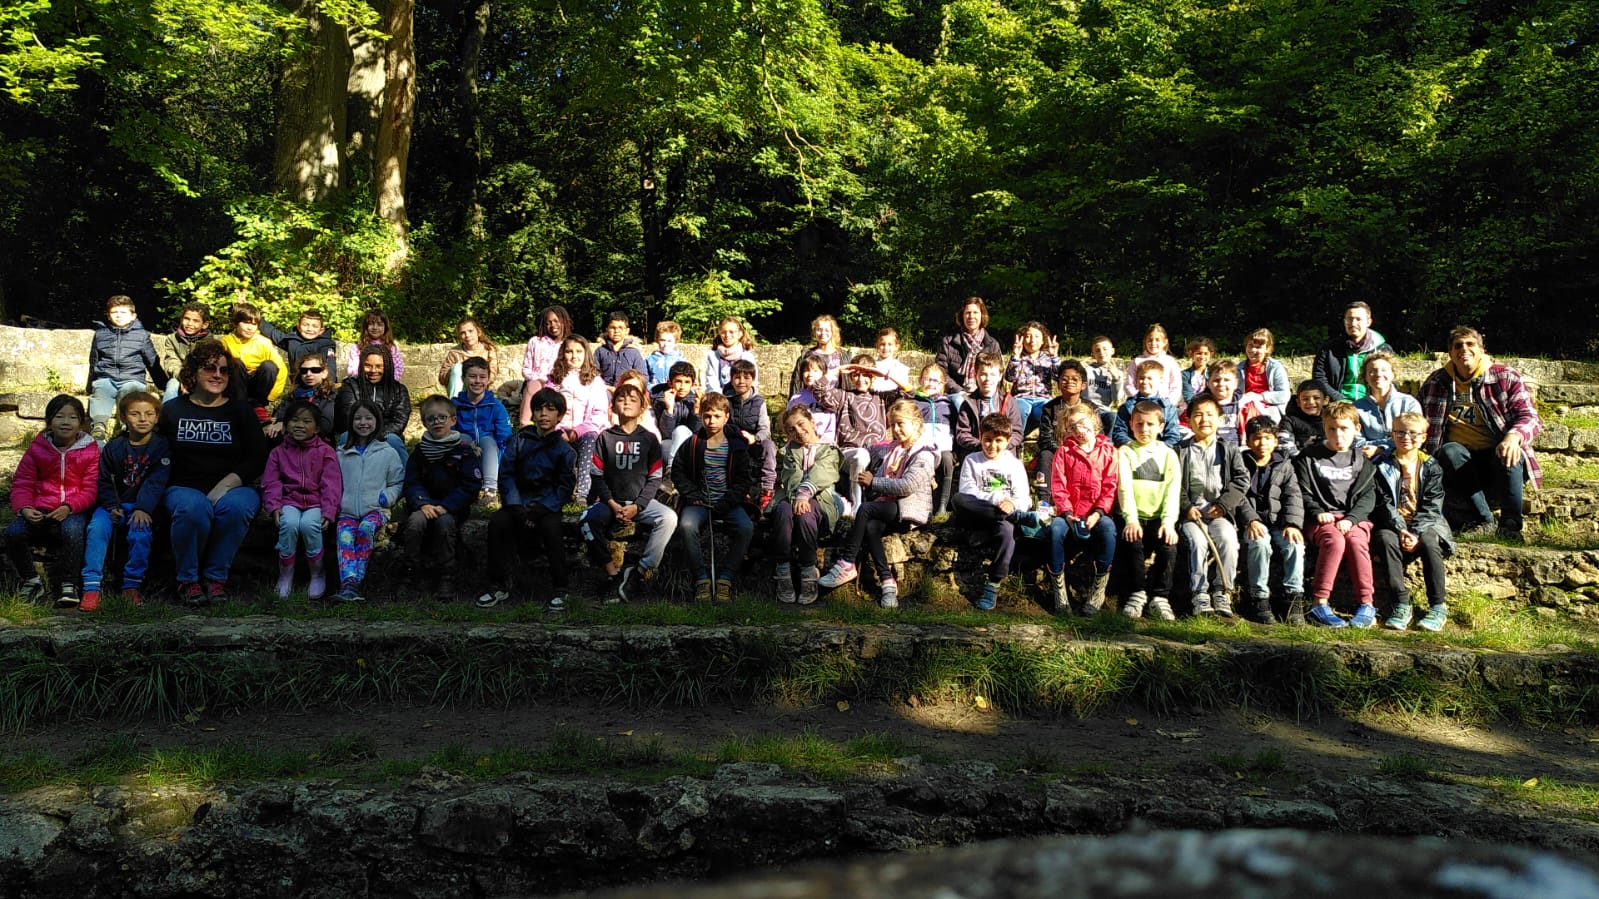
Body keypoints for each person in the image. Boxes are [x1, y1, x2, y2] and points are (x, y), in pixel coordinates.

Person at [159, 339, 269, 605]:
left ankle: (215, 579)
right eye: (209, 368)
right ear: (193, 372)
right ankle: (188, 580)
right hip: (184, 486)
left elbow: (258, 457)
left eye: (223, 370)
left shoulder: (241, 410)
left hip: (233, 486)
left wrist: (225, 486)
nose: (217, 375)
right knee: (193, 509)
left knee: (236, 508)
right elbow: (160, 454)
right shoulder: (173, 410)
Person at [1417, 326, 1542, 541]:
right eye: (1458, 346)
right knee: (1450, 451)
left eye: (1470, 344)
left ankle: (1511, 525)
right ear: (1450, 353)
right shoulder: (1436, 383)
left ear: (1482, 349)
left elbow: (1530, 416)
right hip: (1459, 465)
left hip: (1498, 458)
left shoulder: (1505, 376)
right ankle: (1485, 520)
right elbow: (1419, 425)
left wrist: (1513, 437)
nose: (1463, 349)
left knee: (1511, 452)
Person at [818, 400, 937, 609]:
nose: (896, 429)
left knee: (865, 508)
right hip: (889, 507)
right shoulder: (892, 450)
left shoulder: (924, 454)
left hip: (910, 509)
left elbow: (907, 486)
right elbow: (881, 480)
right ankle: (887, 582)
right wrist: (873, 481)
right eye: (893, 425)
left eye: (901, 424)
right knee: (871, 527)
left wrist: (874, 481)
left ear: (916, 424)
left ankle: (847, 562)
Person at [479, 388, 575, 611]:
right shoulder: (520, 440)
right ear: (532, 413)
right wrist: (515, 505)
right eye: (539, 409)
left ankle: (561, 587)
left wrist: (541, 509)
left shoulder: (564, 449)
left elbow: (564, 486)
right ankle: (497, 584)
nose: (544, 414)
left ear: (559, 416)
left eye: (550, 410)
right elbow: (507, 473)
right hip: (518, 504)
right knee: (498, 523)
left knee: (552, 529)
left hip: (546, 507)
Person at [584, 383, 678, 600]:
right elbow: (597, 475)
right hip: (610, 503)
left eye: (633, 399)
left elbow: (655, 478)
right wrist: (611, 503)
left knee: (669, 518)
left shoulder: (649, 439)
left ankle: (639, 571)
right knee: (586, 521)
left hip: (640, 502)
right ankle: (613, 575)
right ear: (613, 406)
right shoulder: (605, 438)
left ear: (643, 407)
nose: (626, 402)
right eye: (621, 399)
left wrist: (638, 506)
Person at [6, 395, 98, 607]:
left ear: (81, 423)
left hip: (73, 509)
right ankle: (32, 580)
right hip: (41, 507)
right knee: (14, 532)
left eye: (73, 417)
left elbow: (91, 489)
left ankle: (69, 584)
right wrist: (25, 508)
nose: (66, 422)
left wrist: (69, 506)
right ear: (49, 421)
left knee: (73, 531)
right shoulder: (38, 448)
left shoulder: (90, 450)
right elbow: (22, 482)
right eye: (59, 416)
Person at [1295, 401, 1380, 628]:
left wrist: (1352, 519)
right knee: (1334, 541)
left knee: (1356, 540)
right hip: (1321, 519)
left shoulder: (1362, 461)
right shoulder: (1309, 457)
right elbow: (1301, 491)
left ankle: (1366, 604)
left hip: (1353, 518)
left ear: (1356, 429)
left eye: (1344, 428)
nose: (1338, 434)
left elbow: (1368, 497)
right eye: (1332, 428)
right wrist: (1317, 512)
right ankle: (1319, 603)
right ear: (1324, 428)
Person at [81, 391, 169, 610]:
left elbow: (157, 481)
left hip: (144, 507)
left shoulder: (161, 446)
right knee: (96, 528)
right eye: (135, 414)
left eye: (149, 414)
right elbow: (104, 480)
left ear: (157, 417)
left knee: (141, 532)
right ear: (123, 418)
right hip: (114, 505)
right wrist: (111, 506)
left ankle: (132, 585)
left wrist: (143, 508)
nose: (143, 419)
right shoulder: (114, 447)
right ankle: (91, 587)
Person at [1372, 412, 1454, 632]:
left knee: (1429, 542)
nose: (1406, 437)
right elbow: (1383, 503)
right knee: (1384, 539)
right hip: (1392, 524)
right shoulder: (1381, 465)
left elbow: (1432, 505)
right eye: (1400, 432)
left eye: (1413, 433)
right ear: (1392, 434)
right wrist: (1400, 530)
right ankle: (1400, 603)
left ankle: (1437, 605)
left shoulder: (1431, 466)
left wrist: (1415, 531)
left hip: (1425, 524)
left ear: (1424, 437)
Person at [672, 392, 757, 602]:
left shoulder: (736, 446)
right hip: (699, 501)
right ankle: (701, 578)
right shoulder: (693, 443)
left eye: (717, 416)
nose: (711, 421)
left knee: (746, 527)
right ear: (701, 417)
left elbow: (744, 480)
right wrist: (692, 494)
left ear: (726, 416)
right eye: (707, 416)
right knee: (687, 525)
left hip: (727, 502)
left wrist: (726, 502)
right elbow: (677, 471)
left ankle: (725, 579)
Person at [402, 395, 483, 602]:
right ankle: (413, 572)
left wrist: (447, 506)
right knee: (414, 522)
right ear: (424, 423)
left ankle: (447, 575)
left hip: (452, 507)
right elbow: (412, 482)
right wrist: (422, 503)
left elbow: (470, 485)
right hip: (425, 505)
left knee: (445, 524)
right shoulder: (420, 452)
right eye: (431, 419)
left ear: (453, 420)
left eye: (442, 417)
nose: (437, 422)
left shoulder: (464, 451)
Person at [955, 412, 1035, 612]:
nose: (992, 445)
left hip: (1004, 517)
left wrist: (1013, 506)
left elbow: (1023, 497)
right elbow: (967, 490)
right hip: (979, 514)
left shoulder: (1014, 465)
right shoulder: (972, 460)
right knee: (958, 500)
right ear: (980, 437)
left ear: (1008, 441)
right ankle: (1012, 517)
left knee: (1007, 532)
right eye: (987, 440)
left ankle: (993, 584)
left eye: (998, 441)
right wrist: (998, 500)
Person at [1177, 394, 1249, 616]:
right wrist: (1186, 507)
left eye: (1210, 414)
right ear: (1189, 421)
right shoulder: (1180, 450)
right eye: (1198, 415)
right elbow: (1174, 483)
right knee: (1197, 542)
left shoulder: (1228, 449)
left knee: (1228, 539)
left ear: (1220, 418)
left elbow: (1241, 480)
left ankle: (1222, 591)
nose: (1204, 419)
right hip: (1192, 515)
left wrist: (1224, 505)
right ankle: (1199, 594)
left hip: (1218, 513)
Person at [262, 400, 341, 599]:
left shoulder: (325, 452)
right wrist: (274, 506)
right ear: (286, 424)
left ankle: (317, 573)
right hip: (290, 501)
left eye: (307, 421)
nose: (300, 425)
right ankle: (285, 575)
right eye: (294, 420)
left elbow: (331, 484)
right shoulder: (278, 452)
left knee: (308, 525)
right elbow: (271, 482)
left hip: (316, 503)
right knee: (288, 524)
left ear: (316, 428)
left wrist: (329, 510)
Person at [1046, 403, 1118, 616]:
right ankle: (1059, 591)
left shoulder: (1109, 452)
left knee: (1109, 530)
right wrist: (1067, 513)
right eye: (1072, 427)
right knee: (1055, 531)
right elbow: (1058, 485)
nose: (1079, 430)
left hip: (1097, 513)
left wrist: (1098, 513)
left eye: (1082, 424)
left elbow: (1110, 486)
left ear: (1094, 423)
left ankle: (1098, 590)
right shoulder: (1064, 452)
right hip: (1070, 514)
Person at [767, 406, 842, 605]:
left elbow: (823, 473)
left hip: (823, 499)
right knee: (783, 511)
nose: (798, 432)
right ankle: (782, 570)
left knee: (806, 514)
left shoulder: (829, 449)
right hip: (792, 497)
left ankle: (808, 570)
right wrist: (797, 497)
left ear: (811, 422)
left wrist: (805, 494)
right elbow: (791, 476)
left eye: (801, 424)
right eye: (791, 430)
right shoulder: (790, 451)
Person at [1114, 401, 1181, 620]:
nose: (1144, 429)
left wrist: (1168, 522)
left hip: (1159, 518)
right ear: (1131, 425)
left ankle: (1160, 597)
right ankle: (1137, 593)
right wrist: (1131, 519)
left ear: (1161, 426)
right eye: (1139, 424)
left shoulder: (1169, 455)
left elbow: (1173, 491)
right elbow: (1124, 487)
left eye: (1150, 424)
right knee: (1133, 544)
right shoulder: (1125, 452)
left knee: (1169, 546)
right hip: (1134, 516)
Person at [333, 400, 404, 603]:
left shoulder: (388, 452)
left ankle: (357, 582)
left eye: (368, 418)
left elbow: (397, 482)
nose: (363, 422)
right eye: (357, 418)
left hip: (376, 510)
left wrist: (386, 498)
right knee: (345, 537)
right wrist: (336, 503)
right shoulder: (341, 453)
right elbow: (332, 482)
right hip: (346, 511)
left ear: (377, 421)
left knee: (365, 529)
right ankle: (348, 582)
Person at [1238, 416, 1305, 625]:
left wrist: (1292, 523)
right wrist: (1251, 520)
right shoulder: (1241, 463)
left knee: (1294, 545)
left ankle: (1294, 597)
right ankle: (1259, 598)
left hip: (1278, 522)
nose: (1262, 443)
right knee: (1260, 544)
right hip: (1252, 522)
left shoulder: (1285, 465)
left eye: (1268, 438)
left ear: (1275, 441)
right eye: (1257, 438)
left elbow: (1292, 496)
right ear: (1248, 441)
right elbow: (1238, 495)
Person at [86, 294, 162, 441]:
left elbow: (152, 361)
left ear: (133, 316)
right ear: (108, 315)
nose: (119, 316)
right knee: (101, 389)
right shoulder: (101, 334)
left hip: (132, 377)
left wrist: (162, 384)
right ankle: (99, 426)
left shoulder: (141, 335)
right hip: (107, 376)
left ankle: (126, 426)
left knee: (130, 391)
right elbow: (94, 360)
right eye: (114, 312)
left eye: (123, 312)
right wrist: (90, 384)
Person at [1035, 361, 1114, 493]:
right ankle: (1044, 502)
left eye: (1074, 379)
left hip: (1085, 451)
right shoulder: (1049, 409)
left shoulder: (1091, 408)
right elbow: (1045, 439)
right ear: (1058, 384)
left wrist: (1081, 451)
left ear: (1083, 385)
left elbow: (1098, 434)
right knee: (1044, 455)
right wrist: (1064, 452)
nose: (1069, 382)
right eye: (1064, 379)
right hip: (1059, 452)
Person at [824, 355, 888, 515]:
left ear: (873, 377)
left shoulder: (881, 397)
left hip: (876, 452)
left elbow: (909, 392)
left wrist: (881, 373)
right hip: (849, 453)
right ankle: (857, 505)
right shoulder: (844, 396)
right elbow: (819, 389)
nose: (861, 379)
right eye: (856, 374)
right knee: (861, 455)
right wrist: (838, 370)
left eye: (866, 375)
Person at [551, 335, 609, 500]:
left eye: (578, 351)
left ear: (586, 354)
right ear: (563, 354)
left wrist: (580, 430)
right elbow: (549, 407)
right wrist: (558, 428)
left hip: (585, 430)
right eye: (569, 351)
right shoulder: (555, 379)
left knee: (590, 440)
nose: (574, 356)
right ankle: (559, 491)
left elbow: (600, 412)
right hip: (560, 428)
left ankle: (582, 494)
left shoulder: (595, 381)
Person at [335, 345, 412, 462]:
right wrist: (365, 434)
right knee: (345, 437)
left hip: (386, 436)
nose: (373, 370)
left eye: (379, 366)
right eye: (368, 366)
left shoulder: (398, 389)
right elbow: (347, 416)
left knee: (393, 440)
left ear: (387, 366)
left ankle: (406, 478)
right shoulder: (350, 386)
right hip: (357, 433)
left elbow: (399, 421)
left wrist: (376, 436)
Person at [454, 356, 513, 509]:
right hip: (464, 452)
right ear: (463, 378)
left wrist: (500, 458)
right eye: (472, 376)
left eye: (482, 377)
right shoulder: (455, 405)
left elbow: (505, 438)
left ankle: (490, 491)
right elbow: (449, 431)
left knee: (488, 440)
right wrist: (468, 445)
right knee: (462, 437)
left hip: (490, 455)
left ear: (488, 379)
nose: (477, 381)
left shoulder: (495, 405)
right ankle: (464, 488)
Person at [1313, 301, 1392, 402]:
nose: (1353, 324)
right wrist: (1340, 400)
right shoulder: (1328, 349)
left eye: (1358, 319)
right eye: (1349, 319)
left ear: (1369, 322)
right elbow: (1319, 379)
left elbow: (1390, 379)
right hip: (1338, 406)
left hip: (1372, 403)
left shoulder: (1383, 349)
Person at [725, 359, 777, 508]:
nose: (741, 381)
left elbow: (765, 429)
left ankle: (767, 489)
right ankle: (741, 490)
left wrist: (755, 438)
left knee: (769, 446)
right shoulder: (725, 399)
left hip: (754, 441)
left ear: (753, 380)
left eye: (746, 378)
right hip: (734, 441)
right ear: (731, 379)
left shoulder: (759, 402)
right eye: (737, 377)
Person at [909, 363, 959, 519]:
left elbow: (957, 427)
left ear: (942, 384)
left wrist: (955, 449)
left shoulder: (949, 404)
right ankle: (920, 506)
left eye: (935, 380)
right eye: (927, 379)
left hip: (944, 447)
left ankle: (943, 505)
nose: (930, 383)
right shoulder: (914, 403)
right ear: (920, 380)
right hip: (921, 447)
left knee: (947, 460)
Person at [219, 301, 288, 410]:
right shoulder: (226, 342)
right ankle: (239, 404)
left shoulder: (263, 342)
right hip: (237, 384)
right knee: (234, 362)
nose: (250, 328)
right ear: (235, 323)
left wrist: (271, 396)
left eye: (254, 324)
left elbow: (282, 369)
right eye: (246, 323)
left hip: (259, 385)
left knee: (269, 366)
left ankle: (258, 405)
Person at [953, 353, 1022, 462]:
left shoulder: (1009, 401)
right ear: (976, 375)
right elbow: (962, 434)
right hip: (977, 454)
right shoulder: (968, 403)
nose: (988, 379)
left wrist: (1000, 447)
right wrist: (983, 446)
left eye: (993, 374)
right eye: (983, 374)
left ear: (1000, 376)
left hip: (1003, 454)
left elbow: (1017, 433)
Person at [1354, 351, 1421, 457]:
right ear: (1365, 377)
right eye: (1372, 371)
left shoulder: (1409, 403)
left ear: (1393, 374)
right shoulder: (1356, 408)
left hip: (1403, 459)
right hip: (1369, 462)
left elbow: (1414, 437)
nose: (1378, 374)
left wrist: (1381, 449)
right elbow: (1356, 442)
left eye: (1384, 370)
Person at [516, 305, 574, 426]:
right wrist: (540, 379)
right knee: (533, 385)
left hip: (559, 382)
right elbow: (526, 369)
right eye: (548, 323)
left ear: (564, 321)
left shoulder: (568, 344)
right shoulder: (536, 342)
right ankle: (524, 424)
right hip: (537, 382)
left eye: (556, 321)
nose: (553, 325)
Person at [934, 297, 1002, 394]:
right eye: (967, 313)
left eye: (975, 312)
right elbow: (940, 371)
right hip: (956, 393)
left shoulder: (992, 344)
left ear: (982, 316)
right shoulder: (948, 342)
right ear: (962, 316)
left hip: (984, 393)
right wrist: (959, 391)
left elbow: (997, 374)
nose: (971, 316)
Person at [265, 352, 336, 440]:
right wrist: (280, 421)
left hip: (317, 440)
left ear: (324, 373)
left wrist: (298, 431)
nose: (308, 374)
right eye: (304, 371)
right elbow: (283, 410)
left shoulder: (329, 395)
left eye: (315, 370)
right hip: (291, 435)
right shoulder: (295, 393)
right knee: (273, 434)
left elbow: (325, 425)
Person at [1110, 360, 1181, 448]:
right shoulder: (1128, 406)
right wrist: (1131, 444)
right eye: (1141, 378)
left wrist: (1162, 447)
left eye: (1150, 378)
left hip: (1159, 450)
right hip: (1133, 449)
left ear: (1160, 380)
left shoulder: (1167, 407)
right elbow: (1119, 432)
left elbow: (1173, 435)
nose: (1145, 382)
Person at [1007, 321, 1059, 437]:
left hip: (1043, 398)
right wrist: (1015, 356)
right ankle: (1016, 443)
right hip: (1021, 397)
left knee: (1050, 412)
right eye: (1028, 336)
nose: (1032, 340)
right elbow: (1009, 378)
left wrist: (1054, 357)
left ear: (1042, 340)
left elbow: (1058, 377)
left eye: (1036, 336)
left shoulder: (1047, 358)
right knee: (1020, 409)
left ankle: (1047, 445)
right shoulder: (1018, 357)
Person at [655, 360, 701, 483]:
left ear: (693, 384)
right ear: (670, 383)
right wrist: (669, 409)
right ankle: (674, 470)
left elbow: (696, 433)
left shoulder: (695, 401)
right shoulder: (660, 400)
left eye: (687, 382)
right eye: (678, 382)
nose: (682, 387)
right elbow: (666, 434)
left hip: (690, 448)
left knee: (682, 430)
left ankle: (672, 471)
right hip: (669, 447)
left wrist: (697, 411)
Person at [439, 315, 502, 400]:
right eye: (463, 333)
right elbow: (442, 378)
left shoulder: (488, 350)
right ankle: (456, 406)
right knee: (457, 368)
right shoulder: (454, 353)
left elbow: (492, 374)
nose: (467, 335)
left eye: (470, 331)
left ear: (478, 332)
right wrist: (455, 371)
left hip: (480, 389)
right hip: (460, 391)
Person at [158, 302, 211, 403]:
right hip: (179, 377)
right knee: (173, 384)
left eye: (195, 321)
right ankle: (165, 416)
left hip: (202, 379)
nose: (190, 324)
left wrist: (194, 381)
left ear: (204, 324)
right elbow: (172, 363)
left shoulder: (210, 342)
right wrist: (185, 379)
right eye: (186, 319)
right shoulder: (172, 339)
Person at [1237, 328, 1291, 422]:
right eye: (1250, 346)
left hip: (1269, 407)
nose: (1253, 350)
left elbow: (1284, 395)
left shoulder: (1275, 367)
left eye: (1258, 347)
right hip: (1245, 406)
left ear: (1267, 349)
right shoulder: (1239, 368)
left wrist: (1259, 397)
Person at [1123, 323, 1182, 407]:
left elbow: (1176, 386)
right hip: (1140, 405)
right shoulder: (1137, 361)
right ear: (1145, 341)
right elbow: (1129, 384)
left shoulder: (1170, 362)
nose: (1153, 343)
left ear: (1165, 342)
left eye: (1157, 340)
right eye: (1150, 340)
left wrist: (1168, 404)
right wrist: (1138, 399)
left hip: (1163, 405)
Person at [272, 308, 339, 380]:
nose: (309, 329)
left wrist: (329, 386)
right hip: (297, 385)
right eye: (305, 325)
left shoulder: (326, 345)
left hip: (319, 385)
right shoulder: (292, 340)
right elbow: (271, 332)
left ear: (321, 330)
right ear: (298, 327)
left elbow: (331, 366)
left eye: (315, 326)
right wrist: (258, 321)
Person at [786, 355, 838, 445]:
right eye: (806, 370)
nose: (810, 374)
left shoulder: (828, 396)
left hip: (824, 443)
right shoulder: (796, 398)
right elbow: (789, 423)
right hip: (800, 442)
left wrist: (825, 441)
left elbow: (832, 425)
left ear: (824, 374)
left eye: (815, 371)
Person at [788, 314, 845, 396]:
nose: (823, 333)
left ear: (833, 332)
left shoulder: (842, 356)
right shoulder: (806, 355)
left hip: (835, 402)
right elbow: (797, 383)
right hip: (810, 402)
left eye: (827, 330)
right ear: (814, 332)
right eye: (819, 330)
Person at [342, 309, 404, 381]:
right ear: (366, 326)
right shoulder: (357, 347)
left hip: (386, 384)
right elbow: (353, 369)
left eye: (379, 324)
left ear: (385, 327)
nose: (375, 327)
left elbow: (398, 368)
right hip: (363, 384)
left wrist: (387, 381)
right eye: (371, 324)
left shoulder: (391, 347)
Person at [703, 316, 757, 396]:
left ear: (740, 334)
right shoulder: (713, 356)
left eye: (731, 332)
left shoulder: (747, 356)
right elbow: (711, 383)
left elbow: (752, 381)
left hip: (742, 398)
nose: (727, 335)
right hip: (719, 399)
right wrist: (721, 400)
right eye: (723, 332)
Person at [594, 311, 647, 386]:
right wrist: (607, 388)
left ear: (627, 331)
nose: (616, 331)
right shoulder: (600, 351)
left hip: (628, 389)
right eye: (613, 328)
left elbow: (642, 376)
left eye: (620, 328)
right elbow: (593, 374)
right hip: (604, 390)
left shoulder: (633, 352)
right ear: (607, 329)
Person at [1281, 380, 1329, 457]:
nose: (1311, 402)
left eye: (1316, 398)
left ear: (1325, 400)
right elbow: (1284, 444)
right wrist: (1302, 461)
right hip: (1298, 461)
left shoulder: (1331, 419)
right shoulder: (1289, 420)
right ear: (1298, 402)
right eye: (1305, 399)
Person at [644, 321, 687, 393]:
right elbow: (644, 380)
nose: (666, 344)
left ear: (676, 341)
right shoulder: (649, 360)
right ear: (657, 340)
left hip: (675, 395)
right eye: (662, 340)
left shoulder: (681, 361)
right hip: (654, 395)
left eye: (669, 341)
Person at [1083, 335, 1123, 410]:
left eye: (1105, 349)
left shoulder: (1118, 373)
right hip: (1085, 408)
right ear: (1093, 354)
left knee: (1113, 417)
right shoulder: (1087, 369)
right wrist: (1077, 369)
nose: (1101, 352)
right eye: (1097, 350)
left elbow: (1116, 399)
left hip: (1103, 410)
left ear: (1112, 351)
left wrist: (1116, 379)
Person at [869, 328, 912, 394]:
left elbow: (905, 389)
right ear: (877, 345)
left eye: (890, 344)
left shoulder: (901, 368)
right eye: (882, 344)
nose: (886, 348)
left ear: (896, 346)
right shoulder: (870, 365)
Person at [1180, 337, 1216, 406]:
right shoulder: (1185, 375)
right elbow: (1188, 396)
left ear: (1210, 354)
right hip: (1191, 406)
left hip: (1210, 406)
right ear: (1191, 354)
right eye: (1199, 353)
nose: (1202, 356)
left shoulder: (1213, 372)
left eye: (1206, 354)